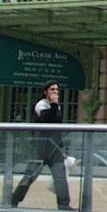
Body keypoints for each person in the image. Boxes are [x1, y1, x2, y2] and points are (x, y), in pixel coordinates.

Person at [12, 80, 76, 210]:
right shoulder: (41, 105)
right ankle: (14, 199)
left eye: (57, 90)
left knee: (60, 177)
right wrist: (53, 104)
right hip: (40, 149)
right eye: (52, 90)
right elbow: (48, 119)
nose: (55, 92)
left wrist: (61, 144)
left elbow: (56, 125)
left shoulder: (56, 106)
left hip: (54, 148)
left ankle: (63, 204)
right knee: (30, 176)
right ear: (45, 92)